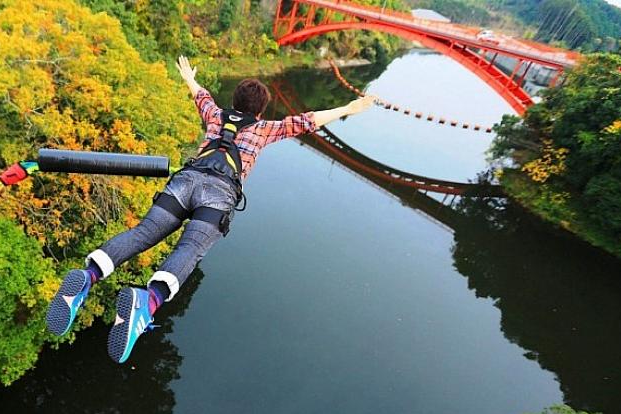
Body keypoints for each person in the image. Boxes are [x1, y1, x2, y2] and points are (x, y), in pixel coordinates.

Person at [46, 56, 377, 363]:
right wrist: (349, 106)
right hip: (217, 196)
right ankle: (146, 304)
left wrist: (189, 78)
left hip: (185, 181)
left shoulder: (217, 115)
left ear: (234, 102)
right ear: (260, 111)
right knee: (189, 249)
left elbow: (201, 96)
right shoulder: (264, 129)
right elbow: (306, 121)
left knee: (143, 233)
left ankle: (89, 276)